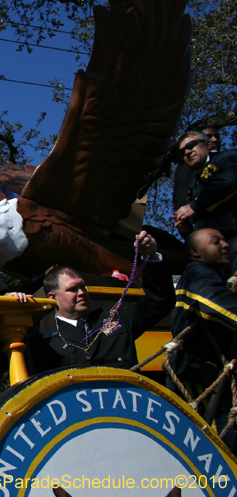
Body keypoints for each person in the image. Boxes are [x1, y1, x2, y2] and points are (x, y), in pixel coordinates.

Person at [29, 231, 174, 371]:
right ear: (53, 298)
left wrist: (152, 256)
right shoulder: (43, 340)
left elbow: (160, 301)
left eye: (82, 286)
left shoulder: (114, 316)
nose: (82, 293)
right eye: (73, 289)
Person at [168, 228, 237, 450]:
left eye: (225, 240)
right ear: (196, 252)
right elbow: (216, 305)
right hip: (197, 379)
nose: (225, 245)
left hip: (212, 377)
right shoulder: (197, 273)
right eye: (216, 242)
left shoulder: (213, 277)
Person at [173, 132, 237, 274]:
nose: (187, 152)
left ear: (207, 144)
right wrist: (186, 229)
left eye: (190, 146)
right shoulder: (193, 184)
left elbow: (229, 184)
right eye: (183, 152)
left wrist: (194, 206)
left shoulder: (227, 157)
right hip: (212, 256)